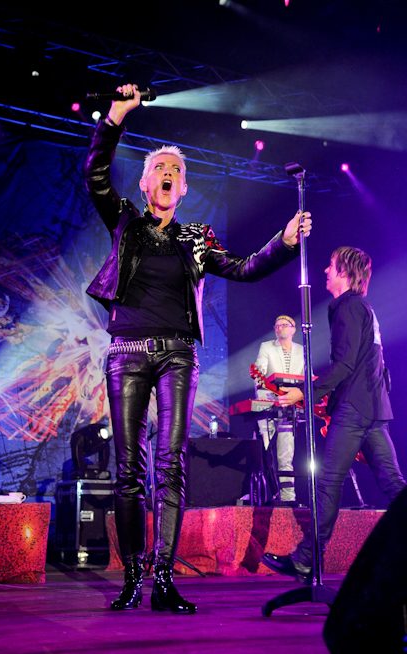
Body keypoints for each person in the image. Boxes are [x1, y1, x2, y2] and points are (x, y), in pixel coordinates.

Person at [85, 83, 312, 613]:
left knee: (170, 465)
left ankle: (163, 579)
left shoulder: (197, 239)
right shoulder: (126, 223)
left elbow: (244, 268)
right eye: (159, 168)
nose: (168, 174)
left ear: (183, 188)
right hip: (127, 351)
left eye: (176, 171)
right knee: (128, 469)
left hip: (177, 355)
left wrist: (282, 243)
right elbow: (95, 174)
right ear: (145, 183)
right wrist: (115, 117)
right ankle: (132, 577)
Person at [262, 246, 406, 582]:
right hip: (372, 408)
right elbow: (367, 364)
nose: (326, 270)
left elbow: (345, 364)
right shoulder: (364, 308)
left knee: (328, 483)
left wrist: (306, 392)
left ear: (344, 272)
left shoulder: (348, 307)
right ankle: (306, 558)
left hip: (355, 410)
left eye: (330, 265)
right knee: (392, 482)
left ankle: (305, 559)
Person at [254, 314, 304, 504]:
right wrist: (264, 381)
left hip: (290, 406)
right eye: (276, 325)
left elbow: (307, 376)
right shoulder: (266, 346)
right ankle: (268, 495)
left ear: (293, 329)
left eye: (283, 324)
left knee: (286, 453)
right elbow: (259, 371)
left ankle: (288, 497)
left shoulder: (301, 350)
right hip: (268, 402)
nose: (279, 327)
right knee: (266, 452)